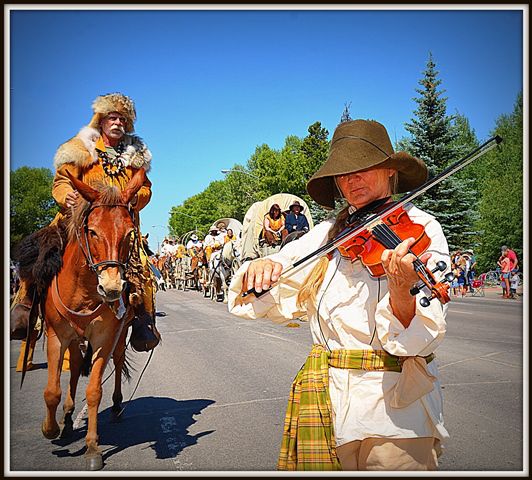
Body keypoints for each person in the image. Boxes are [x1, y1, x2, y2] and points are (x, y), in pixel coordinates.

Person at [228, 119, 450, 471]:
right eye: (343, 173)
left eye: (363, 168)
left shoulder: (421, 229)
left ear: (391, 170)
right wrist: (260, 271)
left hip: (394, 414)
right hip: (328, 401)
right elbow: (266, 287)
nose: (351, 179)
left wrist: (401, 290)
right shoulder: (328, 235)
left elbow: (420, 340)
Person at [10, 93, 160, 352]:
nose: (118, 122)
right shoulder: (81, 148)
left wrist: (134, 202)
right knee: (38, 256)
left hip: (119, 224)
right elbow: (61, 181)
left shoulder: (136, 155)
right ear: (101, 121)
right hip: (77, 219)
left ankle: (142, 321)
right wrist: (64, 196)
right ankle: (25, 307)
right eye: (112, 117)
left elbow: (145, 188)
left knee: (143, 269)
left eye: (122, 119)